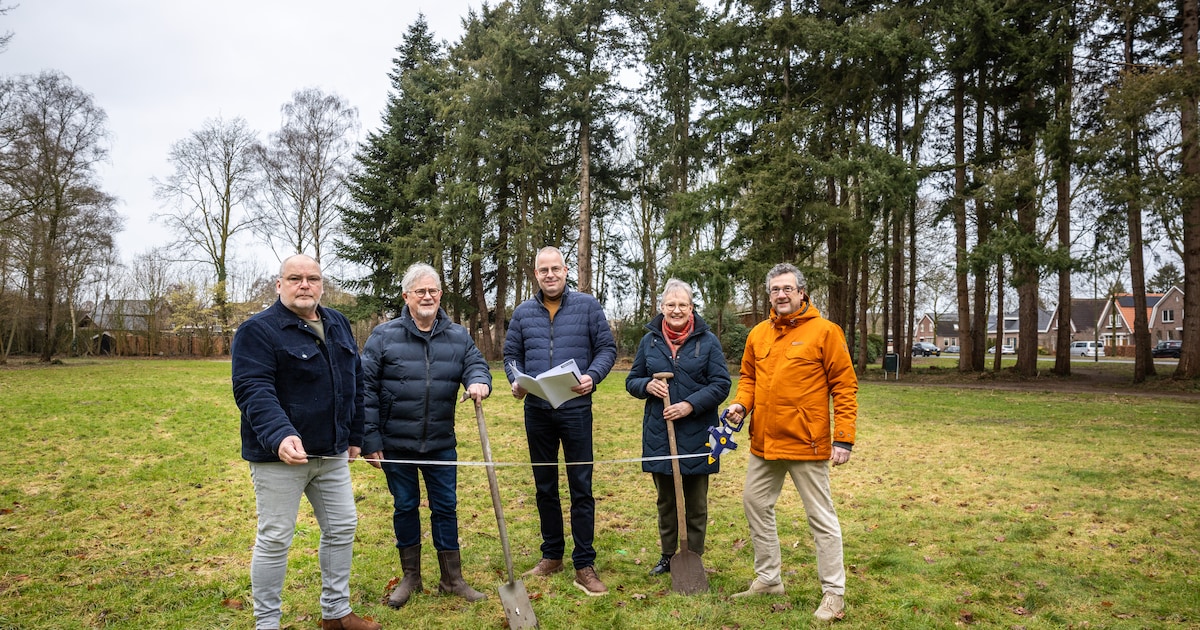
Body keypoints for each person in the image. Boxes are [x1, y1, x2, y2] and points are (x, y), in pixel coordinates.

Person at [231, 254, 381, 630]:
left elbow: (354, 384)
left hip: (331, 453)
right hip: (278, 458)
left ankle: (336, 613)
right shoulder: (259, 331)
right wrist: (280, 434)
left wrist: (354, 435)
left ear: (322, 285)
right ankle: (267, 624)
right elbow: (253, 389)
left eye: (312, 278)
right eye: (295, 278)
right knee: (276, 538)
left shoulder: (338, 323)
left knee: (342, 527)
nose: (305, 285)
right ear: (279, 285)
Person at [723, 263, 857, 623]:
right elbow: (749, 378)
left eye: (787, 289)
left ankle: (834, 593)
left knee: (820, 517)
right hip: (764, 441)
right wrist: (740, 404)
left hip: (806, 443)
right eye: (774, 290)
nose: (781, 295)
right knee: (754, 502)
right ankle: (768, 579)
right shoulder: (758, 335)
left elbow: (845, 387)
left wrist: (843, 438)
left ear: (801, 292)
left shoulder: (826, 333)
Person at [361, 263, 492, 608]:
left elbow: (476, 364)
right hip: (396, 443)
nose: (427, 296)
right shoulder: (383, 336)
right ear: (406, 296)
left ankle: (452, 579)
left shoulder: (458, 336)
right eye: (420, 291)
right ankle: (411, 577)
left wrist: (479, 380)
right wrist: (370, 439)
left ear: (440, 295)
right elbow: (365, 389)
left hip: (440, 443)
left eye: (433, 290)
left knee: (445, 507)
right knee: (405, 506)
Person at [502, 246, 618, 596]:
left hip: (576, 408)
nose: (550, 275)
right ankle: (552, 554)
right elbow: (511, 355)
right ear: (535, 274)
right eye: (543, 270)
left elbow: (607, 349)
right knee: (545, 485)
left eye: (556, 268)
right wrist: (515, 380)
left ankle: (584, 562)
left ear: (566, 270)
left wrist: (593, 376)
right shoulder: (523, 313)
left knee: (581, 487)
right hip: (537, 410)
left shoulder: (588, 306)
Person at [625, 279, 731, 575]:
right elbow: (631, 381)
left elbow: (721, 384)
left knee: (696, 501)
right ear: (662, 307)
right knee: (666, 500)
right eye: (670, 304)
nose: (676, 310)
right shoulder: (650, 341)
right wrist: (647, 385)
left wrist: (690, 405)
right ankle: (669, 555)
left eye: (682, 304)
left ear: (691, 307)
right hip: (660, 433)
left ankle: (693, 555)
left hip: (699, 433)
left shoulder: (707, 340)